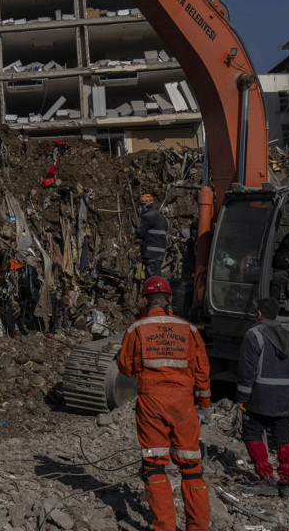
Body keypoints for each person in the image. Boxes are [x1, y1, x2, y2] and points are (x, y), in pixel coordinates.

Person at [115, 276, 212, 531]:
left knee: (154, 465)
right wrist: (205, 406)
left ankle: (165, 527)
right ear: (170, 299)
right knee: (191, 466)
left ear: (145, 300)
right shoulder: (188, 329)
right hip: (183, 405)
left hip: (151, 405)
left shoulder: (136, 328)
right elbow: (202, 371)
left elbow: (125, 368)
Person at [238, 297, 289, 499]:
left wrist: (242, 398)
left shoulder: (254, 335)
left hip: (259, 397)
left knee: (251, 434)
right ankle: (287, 483)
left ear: (259, 314)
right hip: (283, 398)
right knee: (283, 437)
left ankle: (266, 478)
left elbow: (247, 370)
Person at [136, 194, 168, 279]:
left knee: (153, 279)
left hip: (151, 253)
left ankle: (157, 292)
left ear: (144, 206)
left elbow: (141, 233)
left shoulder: (147, 216)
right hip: (160, 253)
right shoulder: (161, 217)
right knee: (156, 274)